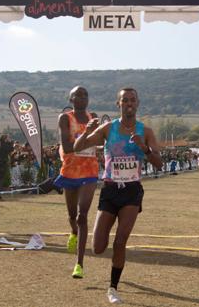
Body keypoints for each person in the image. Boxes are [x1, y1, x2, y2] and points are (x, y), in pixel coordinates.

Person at [74, 87, 162, 304]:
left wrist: (145, 149)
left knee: (121, 241)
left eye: (132, 99)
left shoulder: (146, 132)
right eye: (125, 100)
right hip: (110, 190)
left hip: (132, 191)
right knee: (98, 247)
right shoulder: (108, 129)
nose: (129, 103)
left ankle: (112, 288)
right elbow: (77, 147)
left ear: (137, 103)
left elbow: (159, 164)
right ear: (118, 104)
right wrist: (87, 131)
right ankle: (112, 265)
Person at [53, 86, 100, 279]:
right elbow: (67, 147)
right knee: (72, 216)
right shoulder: (65, 118)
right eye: (78, 95)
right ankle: (73, 232)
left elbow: (100, 142)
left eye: (85, 94)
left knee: (82, 215)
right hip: (70, 171)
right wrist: (87, 136)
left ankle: (79, 264)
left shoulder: (93, 117)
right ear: (71, 99)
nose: (82, 97)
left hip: (89, 170)